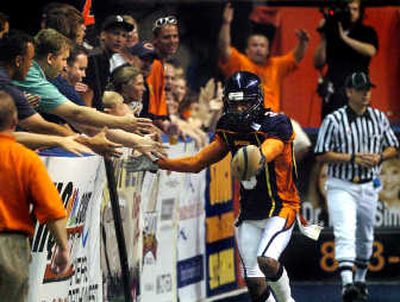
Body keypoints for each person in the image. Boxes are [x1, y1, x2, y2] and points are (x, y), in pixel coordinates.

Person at [156, 71, 300, 302]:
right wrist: (159, 163)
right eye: (235, 103)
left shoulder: (276, 122)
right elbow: (197, 162)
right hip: (250, 211)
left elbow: (272, 148)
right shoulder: (228, 126)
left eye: (245, 103)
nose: (240, 108)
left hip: (281, 207)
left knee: (267, 261)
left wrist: (258, 158)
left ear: (258, 100)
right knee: (253, 281)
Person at [314, 72, 398, 302]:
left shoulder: (379, 118)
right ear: (349, 92)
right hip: (341, 184)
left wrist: (379, 157)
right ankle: (347, 284)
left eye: (368, 89)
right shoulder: (333, 119)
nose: (366, 93)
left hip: (369, 185)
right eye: (361, 89)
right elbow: (320, 154)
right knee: (345, 231)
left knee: (366, 234)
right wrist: (352, 158)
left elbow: (394, 146)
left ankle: (360, 279)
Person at [0, 90, 70, 301]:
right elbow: (51, 209)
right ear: (15, 121)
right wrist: (63, 248)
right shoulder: (25, 159)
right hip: (9, 248)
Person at [218, 3, 309, 113]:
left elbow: (296, 57)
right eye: (255, 45)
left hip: (272, 119)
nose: (258, 49)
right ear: (247, 50)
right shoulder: (240, 62)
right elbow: (224, 48)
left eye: (262, 46)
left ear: (267, 51)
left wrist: (303, 43)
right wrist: (225, 23)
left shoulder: (275, 65)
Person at [313, 0, 379, 118]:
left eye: (355, 9)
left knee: (358, 127)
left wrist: (345, 38)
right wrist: (324, 37)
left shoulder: (366, 32)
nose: (351, 13)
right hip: (334, 90)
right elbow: (318, 63)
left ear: (361, 12)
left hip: (357, 89)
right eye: (348, 9)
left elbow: (371, 50)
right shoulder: (333, 32)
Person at [83, 15, 134, 110]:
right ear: (103, 35)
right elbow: (92, 95)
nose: (119, 40)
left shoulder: (104, 57)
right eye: (116, 33)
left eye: (124, 36)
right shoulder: (96, 58)